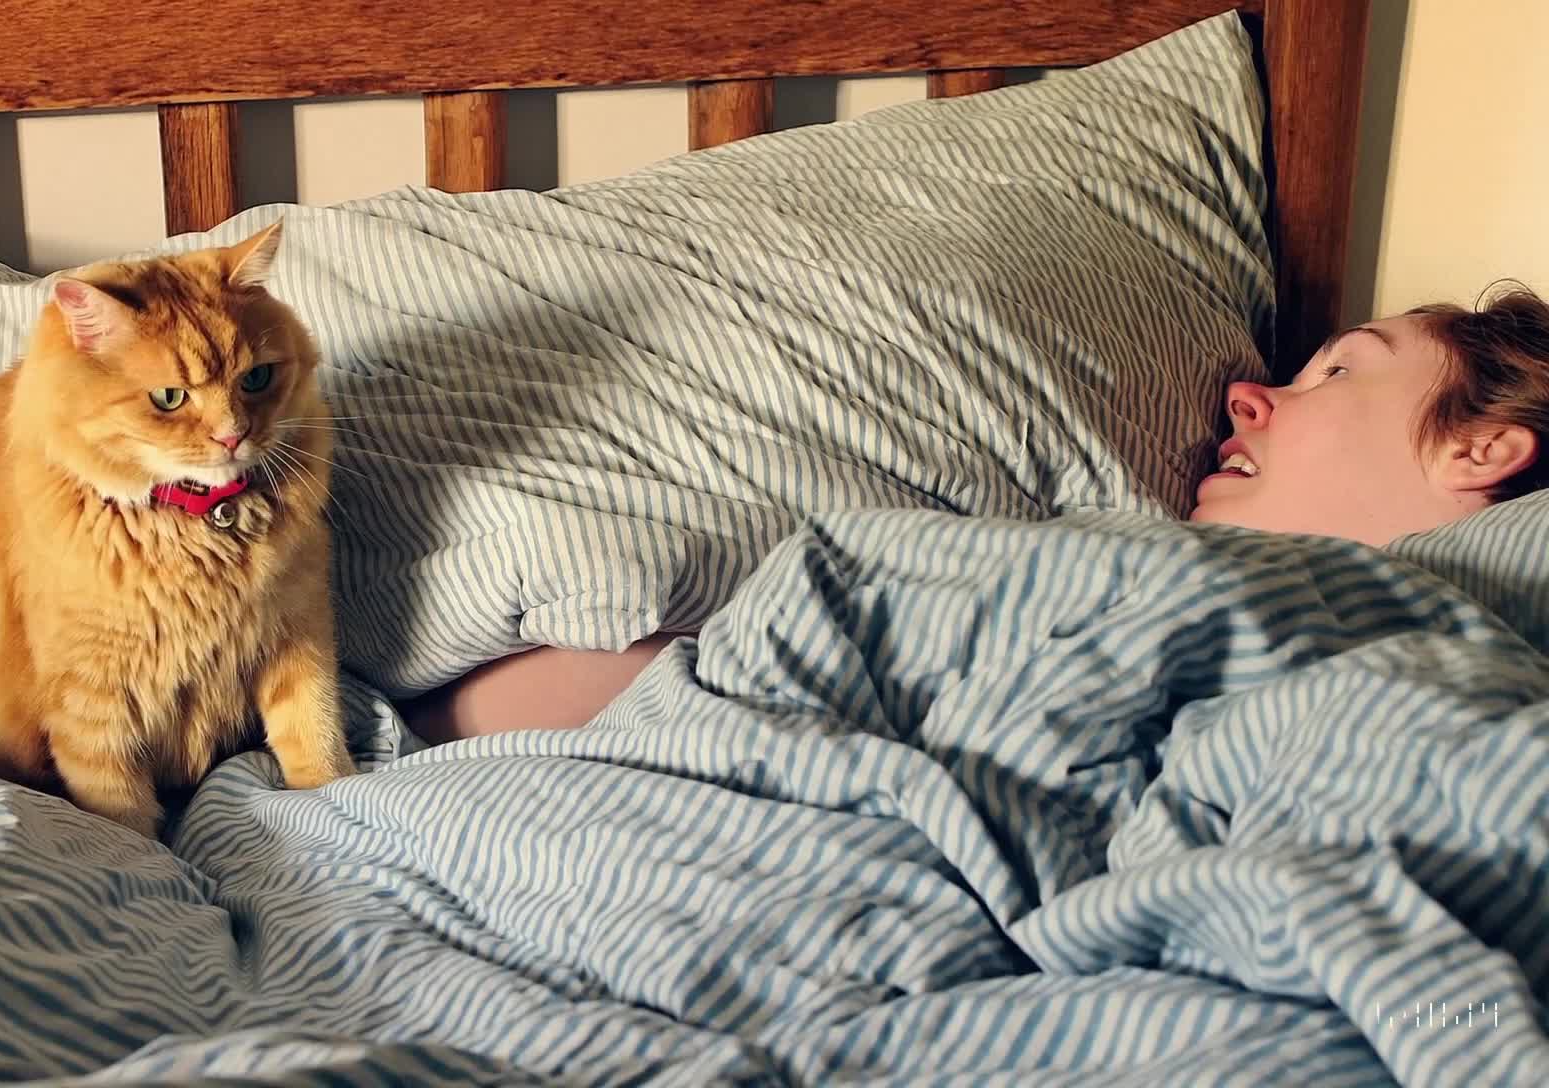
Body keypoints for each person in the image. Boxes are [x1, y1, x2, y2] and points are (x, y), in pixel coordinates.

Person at [401, 283, 1549, 745]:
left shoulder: (1479, 632)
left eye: (1339, 373)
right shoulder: (1095, 559)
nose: (1251, 393)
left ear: (1484, 446)